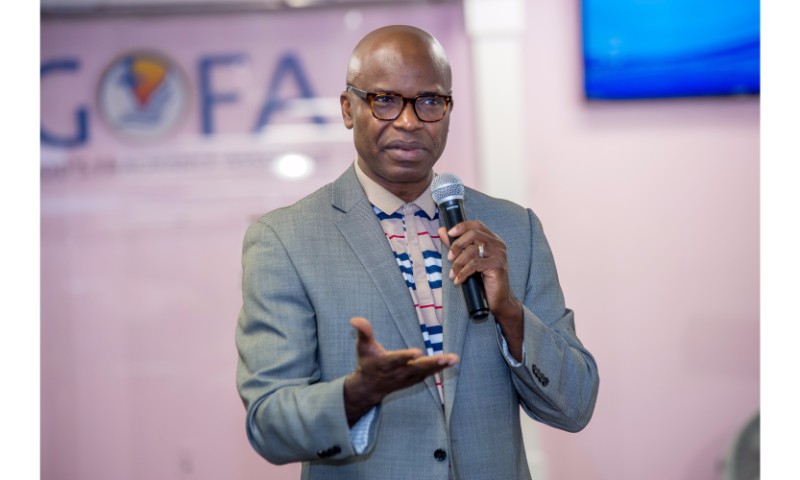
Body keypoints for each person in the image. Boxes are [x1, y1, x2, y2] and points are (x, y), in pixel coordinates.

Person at [235, 25, 599, 480]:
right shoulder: (285, 239)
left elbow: (576, 405)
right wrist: (357, 393)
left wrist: (510, 313)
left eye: (429, 101)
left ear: (448, 110)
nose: (409, 122)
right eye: (385, 100)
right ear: (348, 109)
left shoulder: (513, 230)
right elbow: (268, 423)